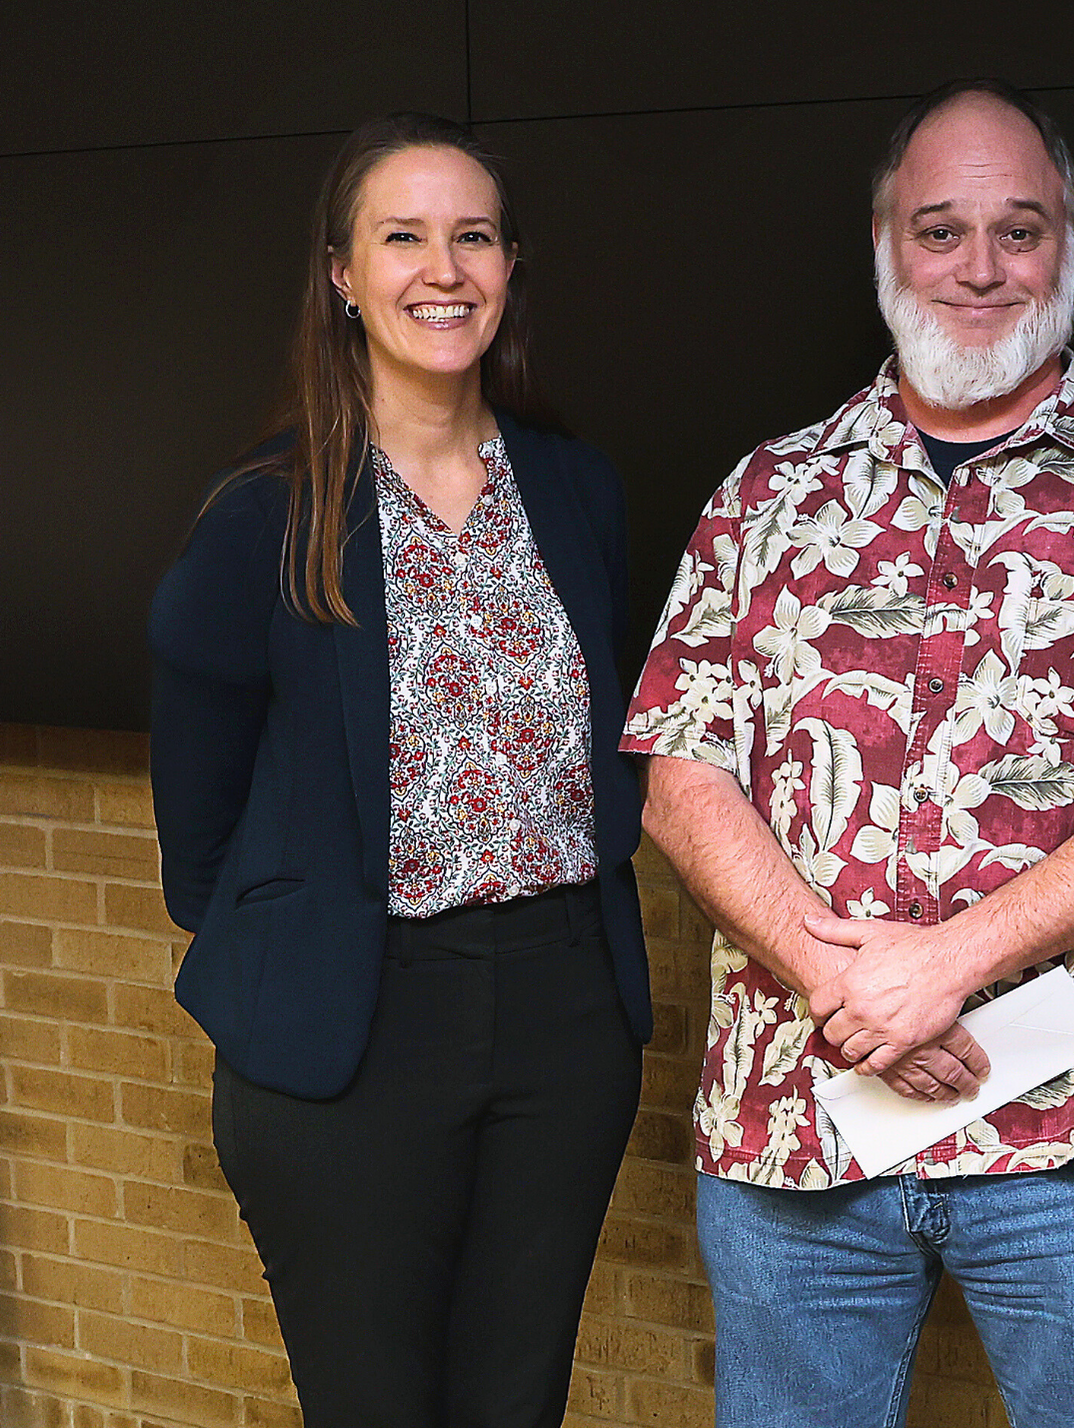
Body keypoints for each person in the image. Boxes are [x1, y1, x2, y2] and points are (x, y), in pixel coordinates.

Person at [622, 78, 1074, 1428]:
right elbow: (682, 780)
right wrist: (838, 976)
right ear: (884, 244)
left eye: (1018, 230)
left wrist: (942, 970)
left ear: (1072, 246)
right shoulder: (766, 495)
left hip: (1073, 1144)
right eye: (940, 230)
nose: (979, 266)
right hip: (797, 1127)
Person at [148, 112, 648, 1427]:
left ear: (509, 265)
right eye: (403, 236)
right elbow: (197, 840)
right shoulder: (266, 514)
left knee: (515, 1404)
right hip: (353, 1033)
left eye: (472, 236)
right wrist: (299, 949)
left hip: (564, 1024)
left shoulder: (576, 490)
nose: (444, 268)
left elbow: (627, 744)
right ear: (341, 274)